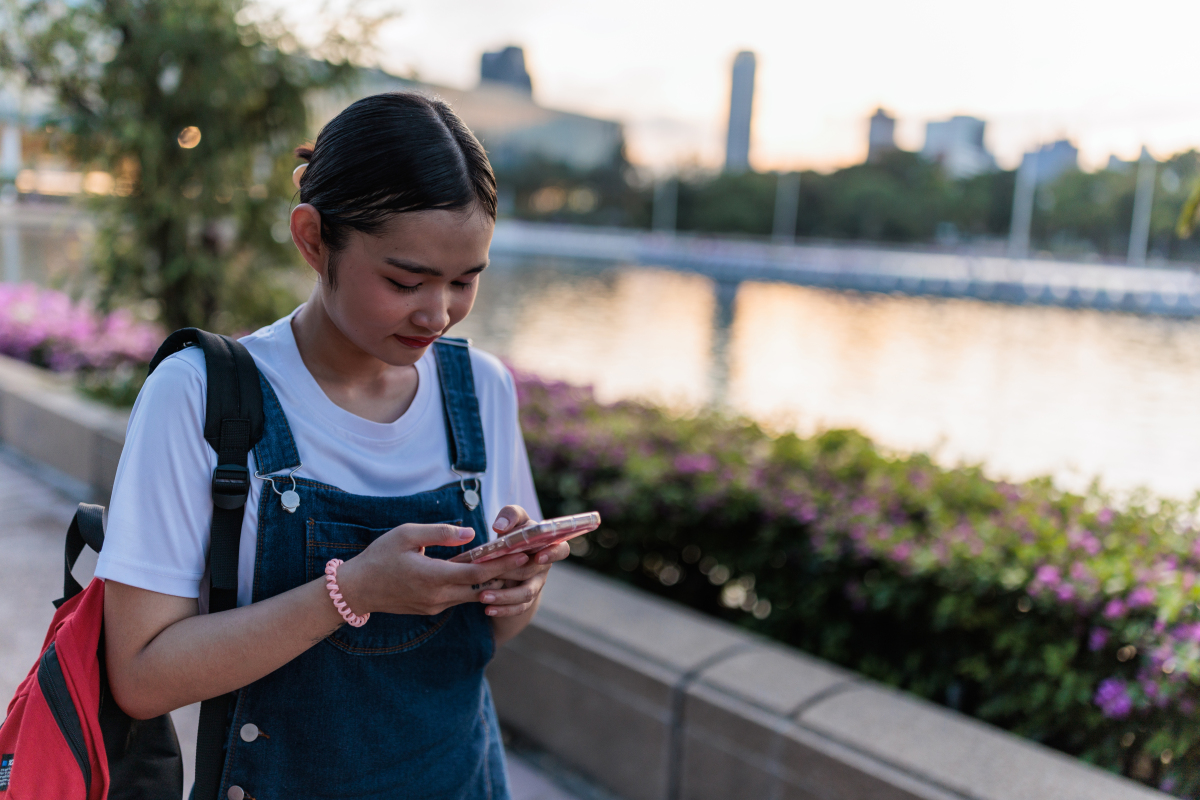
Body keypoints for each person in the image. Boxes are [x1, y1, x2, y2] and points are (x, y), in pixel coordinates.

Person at [94, 92, 565, 799]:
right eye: (405, 280)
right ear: (313, 239)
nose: (436, 313)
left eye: (465, 281)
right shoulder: (201, 395)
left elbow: (482, 642)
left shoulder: (482, 391)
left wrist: (514, 588)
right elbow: (139, 676)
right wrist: (352, 591)